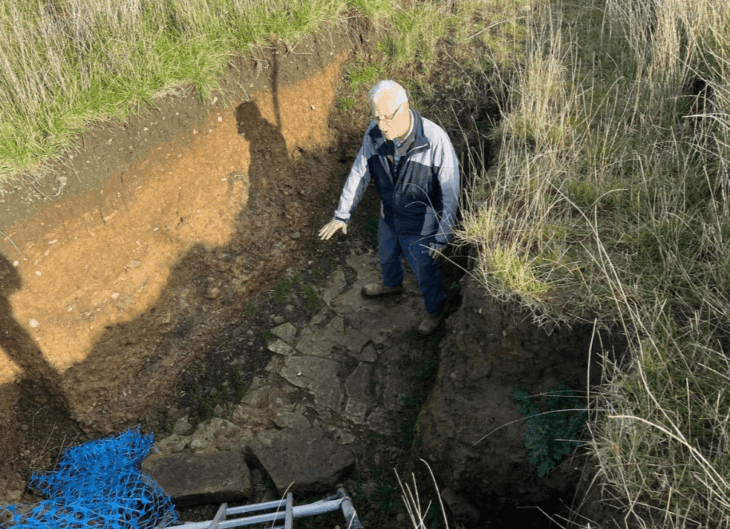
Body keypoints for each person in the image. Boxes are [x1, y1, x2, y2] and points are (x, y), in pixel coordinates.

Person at [319, 80, 460, 335]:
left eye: (387, 117)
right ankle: (392, 285)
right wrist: (342, 214)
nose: (381, 125)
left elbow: (450, 190)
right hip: (389, 216)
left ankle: (435, 311)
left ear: (405, 107)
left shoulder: (434, 139)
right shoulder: (374, 133)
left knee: (425, 272)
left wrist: (442, 236)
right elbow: (359, 172)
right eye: (376, 117)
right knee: (386, 256)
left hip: (421, 225)